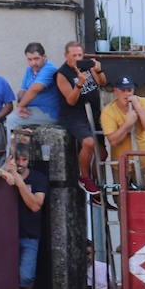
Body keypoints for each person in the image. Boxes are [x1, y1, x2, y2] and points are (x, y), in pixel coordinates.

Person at [0, 148, 48, 289]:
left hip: (29, 234)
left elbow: (35, 205)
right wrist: (1, 170)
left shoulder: (38, 178)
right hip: (3, 236)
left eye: (24, 159)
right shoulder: (2, 175)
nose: (20, 162)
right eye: (16, 159)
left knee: (26, 275)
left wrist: (18, 182)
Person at [53, 42, 105, 186]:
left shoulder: (86, 66)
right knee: (88, 142)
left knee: (102, 154)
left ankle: (96, 183)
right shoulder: (62, 74)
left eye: (79, 55)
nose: (77, 58)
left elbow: (102, 82)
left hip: (93, 113)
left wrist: (98, 71)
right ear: (66, 56)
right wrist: (80, 84)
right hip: (74, 115)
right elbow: (70, 100)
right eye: (74, 55)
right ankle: (85, 177)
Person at [99, 76, 145, 188]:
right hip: (121, 164)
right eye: (123, 90)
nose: (127, 94)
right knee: (121, 200)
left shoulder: (143, 102)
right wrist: (127, 124)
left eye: (129, 90)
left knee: (144, 198)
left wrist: (138, 107)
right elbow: (113, 141)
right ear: (116, 91)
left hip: (143, 163)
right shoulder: (108, 111)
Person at [10, 42, 61, 128]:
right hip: (32, 109)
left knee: (12, 120)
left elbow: (35, 89)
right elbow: (22, 91)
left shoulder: (49, 69)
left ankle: (10, 142)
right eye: (30, 59)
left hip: (48, 112)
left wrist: (20, 106)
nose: (33, 63)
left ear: (44, 57)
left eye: (36, 59)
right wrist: (21, 105)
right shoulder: (30, 70)